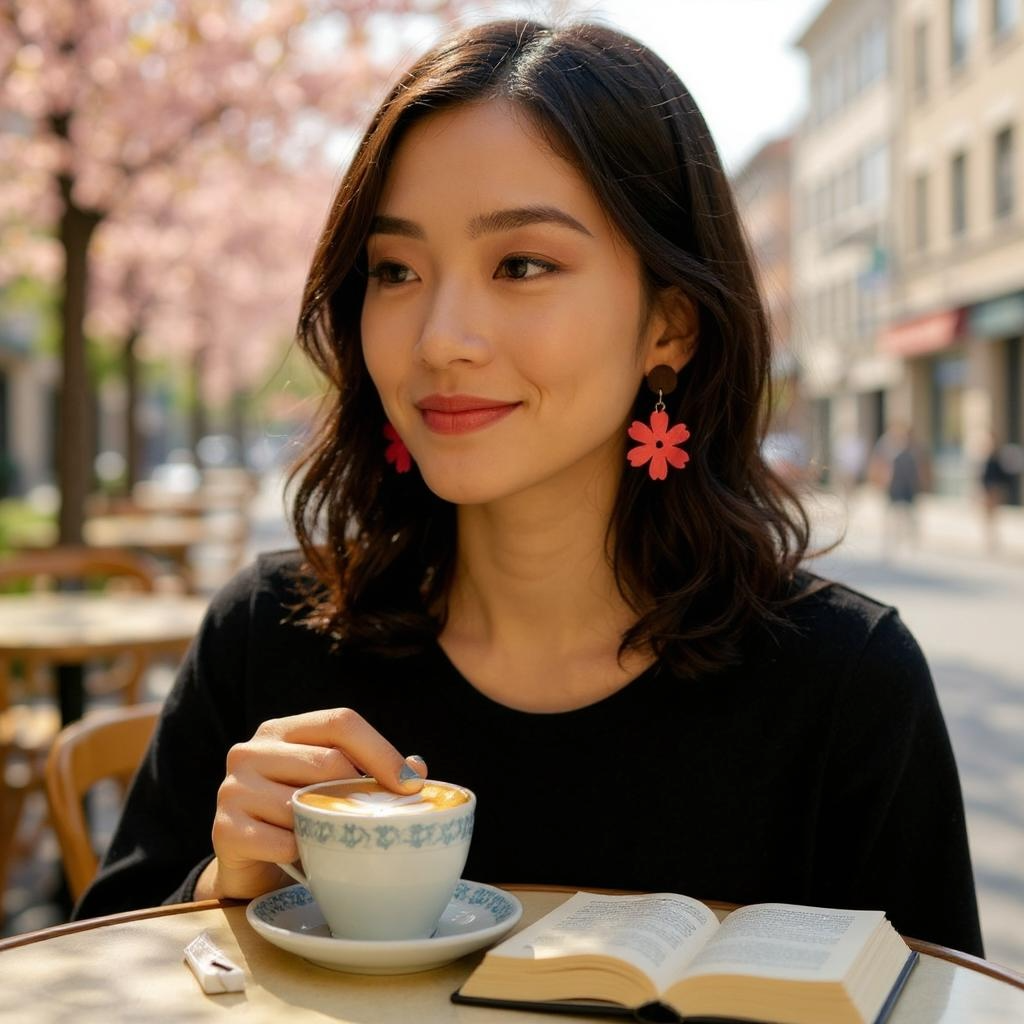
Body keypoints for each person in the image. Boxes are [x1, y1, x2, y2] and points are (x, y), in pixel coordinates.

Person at [74, 20, 983, 956]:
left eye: (522, 265)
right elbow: (85, 978)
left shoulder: (844, 685)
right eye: (395, 270)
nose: (439, 338)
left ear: (670, 324)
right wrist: (230, 882)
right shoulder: (266, 639)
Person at [870, 422, 931, 555]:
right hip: (894, 487)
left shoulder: (914, 449)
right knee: (892, 516)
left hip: (908, 487)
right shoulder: (888, 448)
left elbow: (921, 467)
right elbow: (879, 465)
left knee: (911, 516)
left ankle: (912, 541)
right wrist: (881, 482)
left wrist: (922, 483)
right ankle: (891, 542)